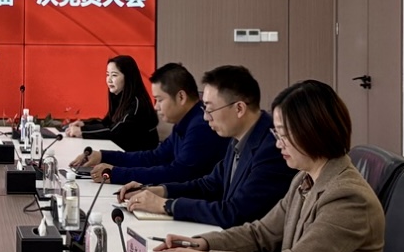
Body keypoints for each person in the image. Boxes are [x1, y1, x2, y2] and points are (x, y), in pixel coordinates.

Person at [154, 80, 392, 252]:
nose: (278, 144)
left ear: (313, 132)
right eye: (276, 133)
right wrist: (203, 243)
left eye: (284, 135)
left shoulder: (348, 197)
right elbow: (261, 233)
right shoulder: (305, 178)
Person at [123, 65, 295, 228]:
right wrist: (160, 191)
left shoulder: (272, 148)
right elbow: (208, 185)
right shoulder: (238, 137)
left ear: (239, 108)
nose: (205, 117)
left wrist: (166, 205)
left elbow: (235, 213)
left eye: (210, 109)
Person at [71, 63, 228, 185]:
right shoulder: (185, 122)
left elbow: (178, 174)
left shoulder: (200, 126)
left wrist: (116, 173)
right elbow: (154, 157)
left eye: (159, 100)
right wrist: (103, 156)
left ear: (181, 97)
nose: (156, 107)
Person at [64, 55, 159, 152]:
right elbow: (108, 123)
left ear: (128, 77)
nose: (109, 80)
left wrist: (82, 132)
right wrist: (84, 124)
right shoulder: (119, 96)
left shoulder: (137, 103)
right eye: (107, 74)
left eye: (114, 75)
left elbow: (116, 132)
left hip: (138, 157)